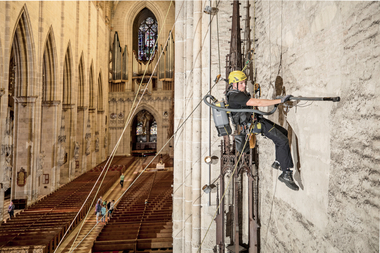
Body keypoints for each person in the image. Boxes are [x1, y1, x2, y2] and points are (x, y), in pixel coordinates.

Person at [227, 70, 299, 191]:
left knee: (283, 132)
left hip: (255, 119)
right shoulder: (236, 96)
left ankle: (278, 161)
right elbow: (259, 102)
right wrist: (280, 101)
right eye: (241, 83)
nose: (244, 85)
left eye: (244, 82)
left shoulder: (234, 93)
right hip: (254, 124)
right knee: (283, 141)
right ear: (234, 84)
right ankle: (286, 173)